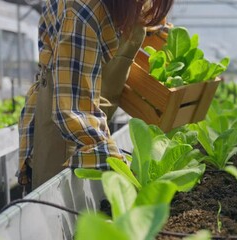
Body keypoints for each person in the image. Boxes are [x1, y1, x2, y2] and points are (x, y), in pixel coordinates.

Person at [18, 0, 174, 190]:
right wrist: (125, 172)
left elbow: (151, 20)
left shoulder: (132, 4)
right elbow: (75, 110)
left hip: (94, 120)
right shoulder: (81, 9)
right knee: (62, 208)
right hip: (65, 128)